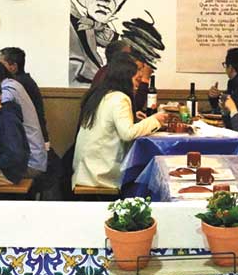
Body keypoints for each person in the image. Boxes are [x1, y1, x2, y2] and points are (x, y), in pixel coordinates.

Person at [72, 53, 168, 193]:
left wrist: (133, 117)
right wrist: (155, 120)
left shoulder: (102, 94)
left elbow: (108, 120)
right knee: (146, 176)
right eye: (136, 79)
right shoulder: (120, 98)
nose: (138, 84)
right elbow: (128, 133)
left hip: (86, 168)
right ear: (125, 78)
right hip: (101, 172)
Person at [0, 46, 49, 143]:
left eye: (1, 64)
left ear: (13, 66)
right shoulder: (22, 80)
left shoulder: (16, 84)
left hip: (32, 138)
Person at [208, 47, 238, 114]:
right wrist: (214, 96)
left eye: (225, 65)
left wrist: (220, 96)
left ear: (230, 68)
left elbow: (234, 105)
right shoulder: (232, 82)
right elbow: (219, 107)